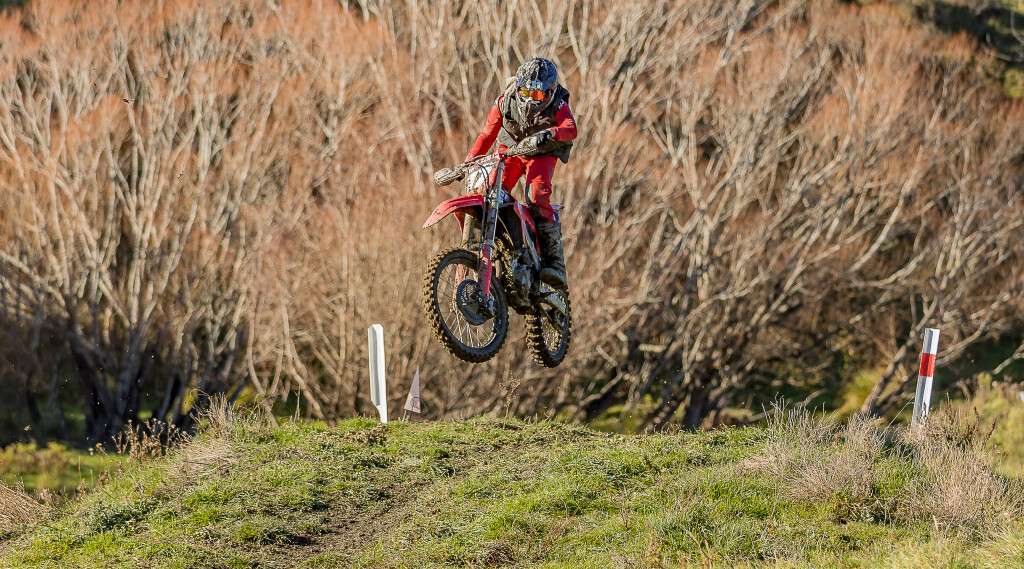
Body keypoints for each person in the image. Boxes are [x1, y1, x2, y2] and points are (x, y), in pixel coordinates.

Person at [464, 56, 577, 289]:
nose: (530, 99)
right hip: (511, 149)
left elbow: (570, 128)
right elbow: (487, 135)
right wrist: (469, 162)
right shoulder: (504, 101)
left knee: (537, 196)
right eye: (525, 92)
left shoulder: (558, 103)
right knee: (490, 190)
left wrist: (552, 133)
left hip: (541, 152)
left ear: (549, 92)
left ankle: (554, 262)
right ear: (517, 87)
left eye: (537, 94)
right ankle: (490, 239)